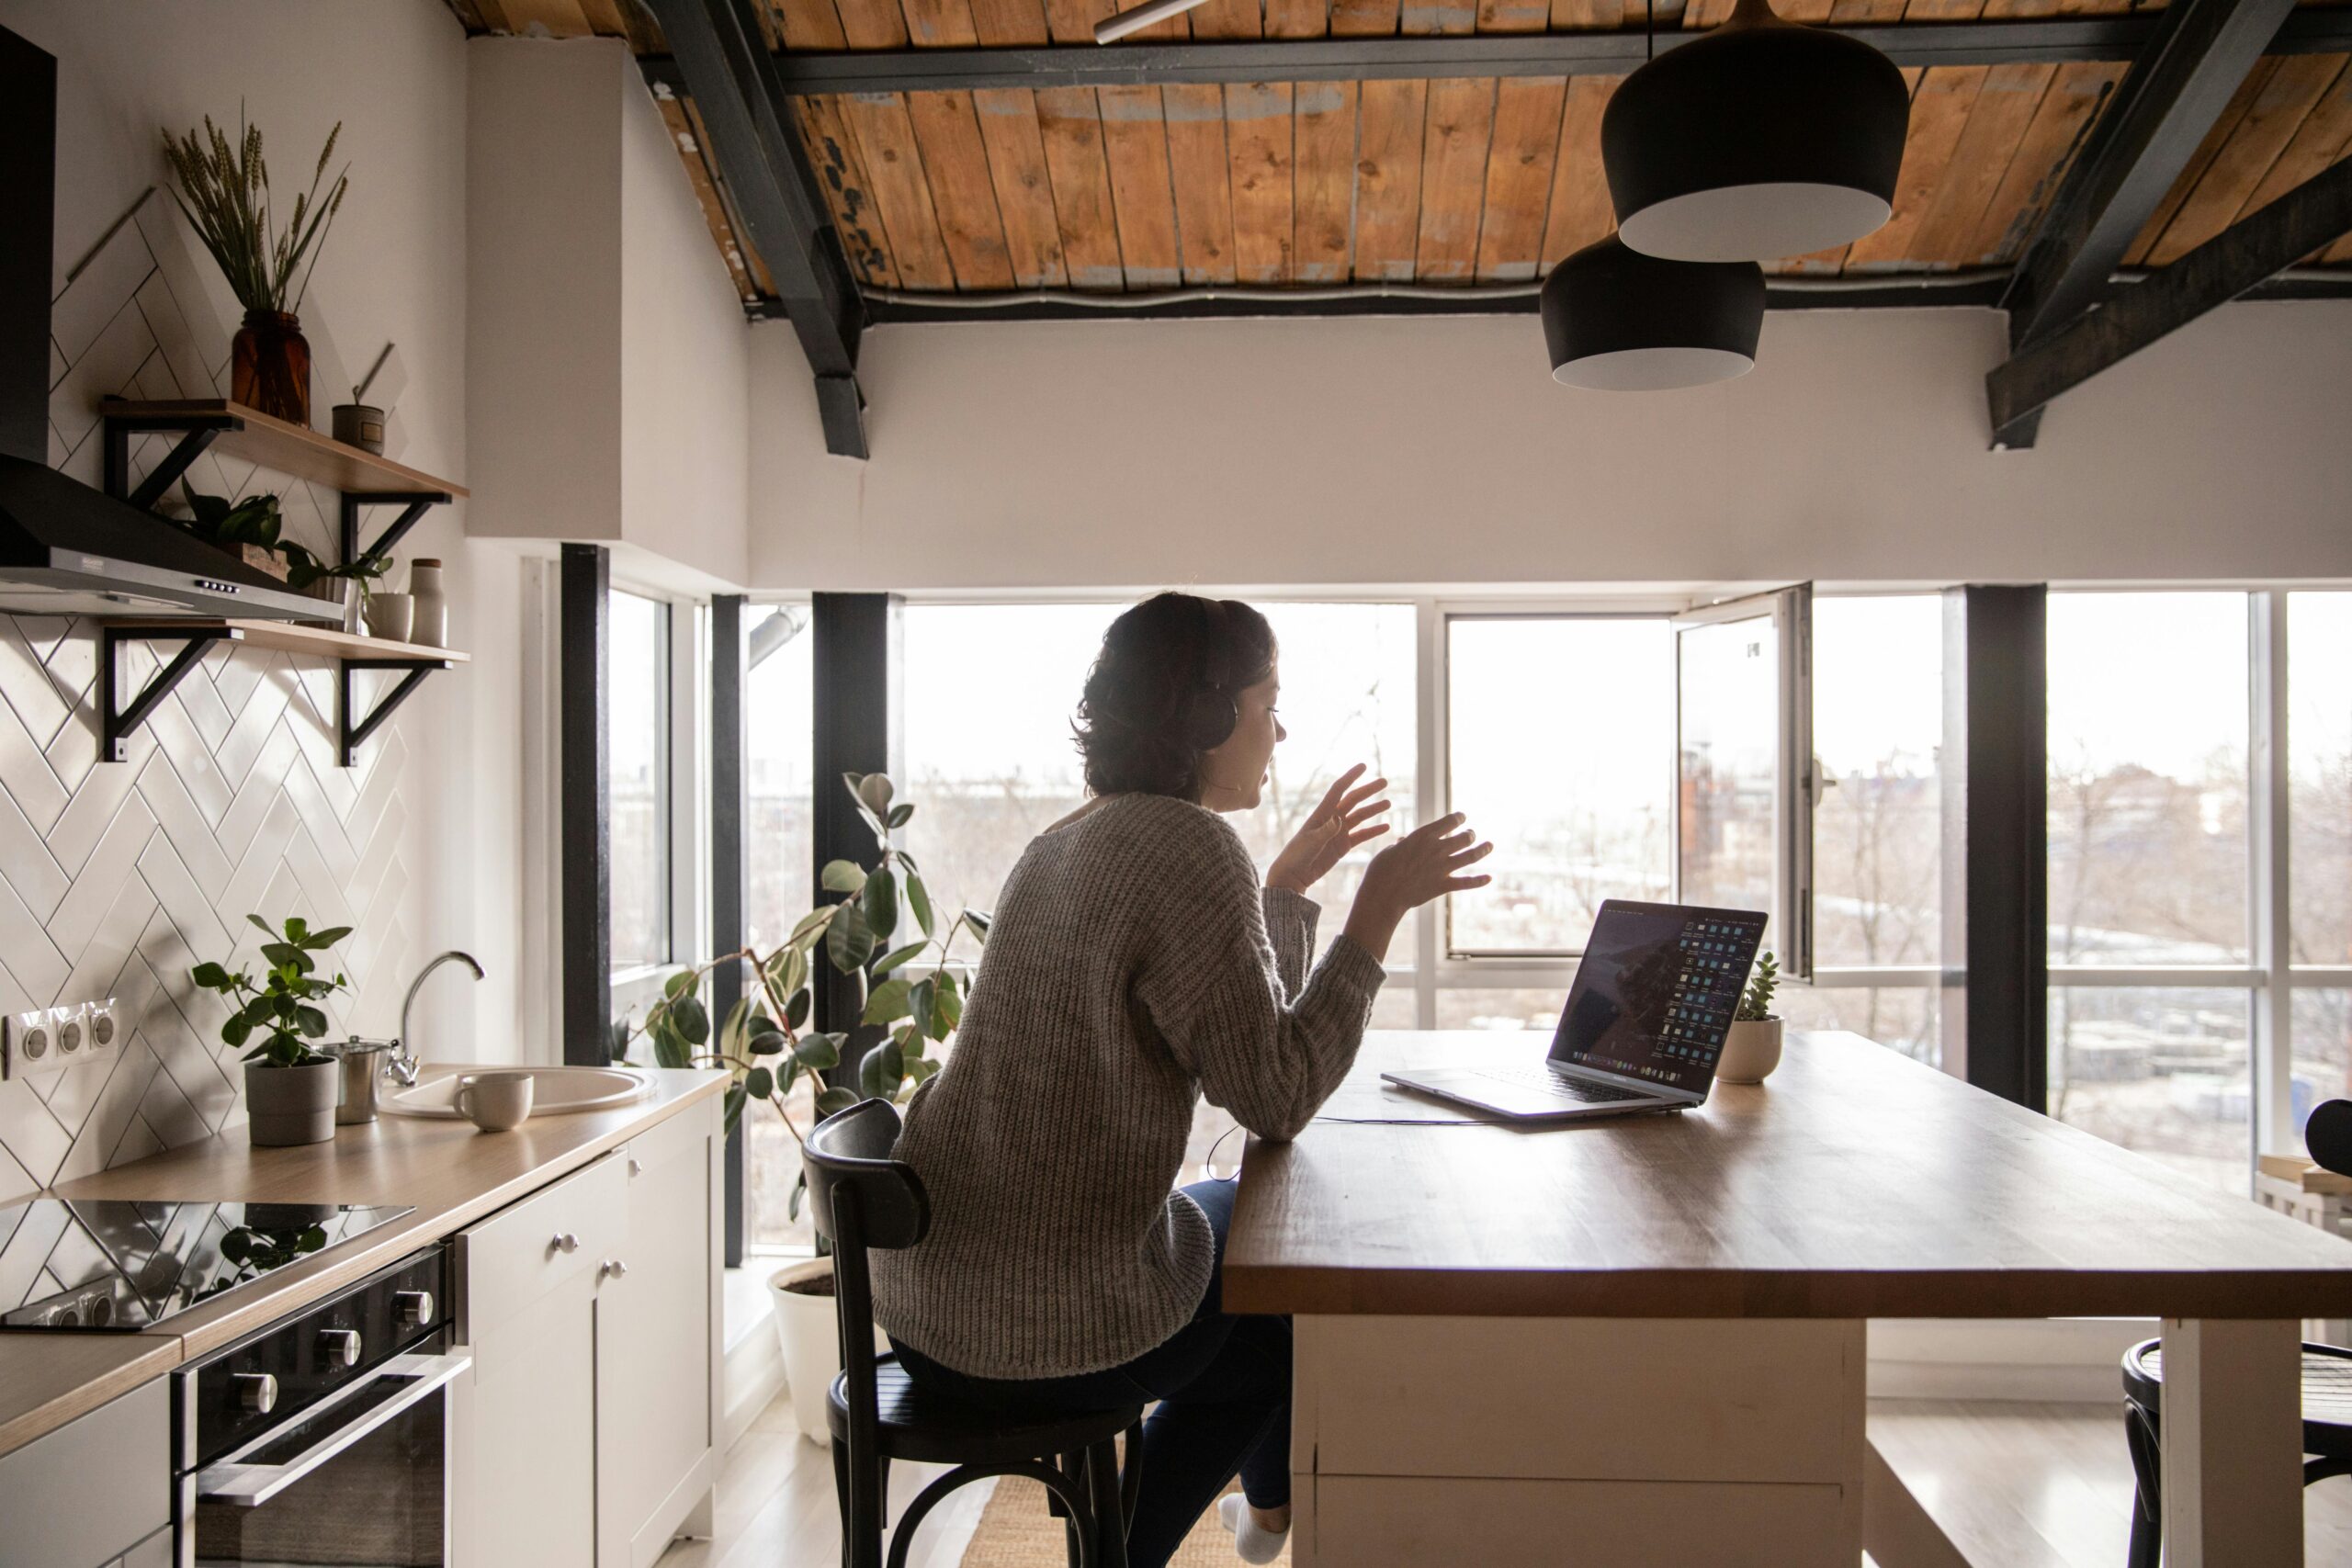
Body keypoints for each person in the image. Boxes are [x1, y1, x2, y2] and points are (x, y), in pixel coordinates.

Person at [873, 592, 1490, 1566]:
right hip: (1041, 1326)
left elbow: (1235, 1046)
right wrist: (1375, 908)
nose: (1278, 730)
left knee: (1243, 1219)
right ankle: (1129, 1554)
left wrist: (1284, 895)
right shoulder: (1189, 847)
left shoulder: (1072, 836)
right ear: (1204, 715)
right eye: (1265, 702)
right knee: (1293, 1324)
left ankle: (1265, 1518)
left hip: (929, 1300)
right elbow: (1276, 1097)